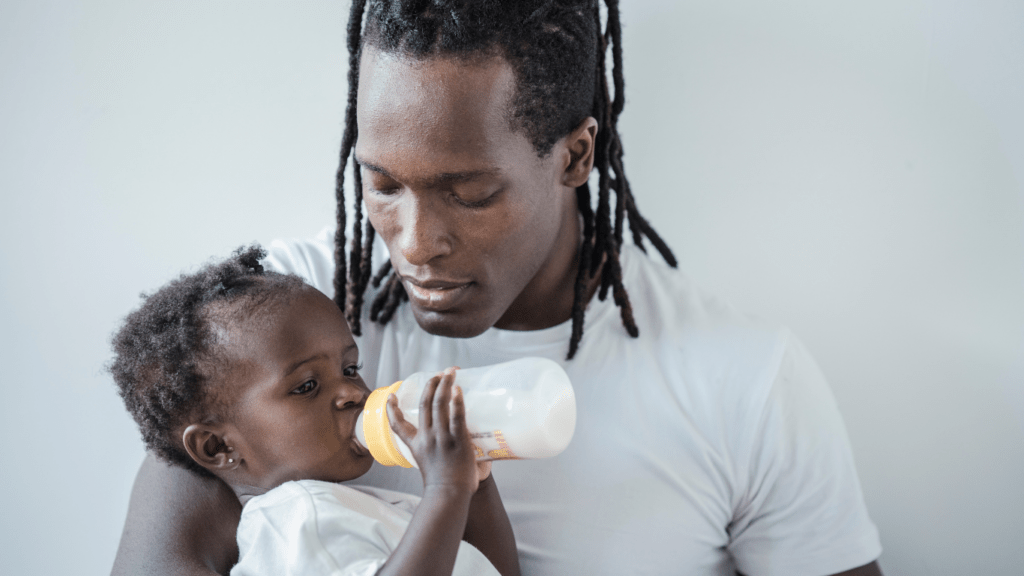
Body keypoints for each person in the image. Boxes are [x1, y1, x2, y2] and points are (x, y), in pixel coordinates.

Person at [112, 1, 884, 575]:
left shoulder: (744, 383)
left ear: (576, 156)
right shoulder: (281, 320)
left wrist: (465, 490)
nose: (414, 243)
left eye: (471, 194)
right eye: (381, 185)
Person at [109, 246, 520, 576]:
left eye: (350, 368)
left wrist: (477, 486)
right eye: (307, 386)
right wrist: (447, 489)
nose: (351, 393)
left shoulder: (355, 509)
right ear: (218, 446)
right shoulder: (293, 521)